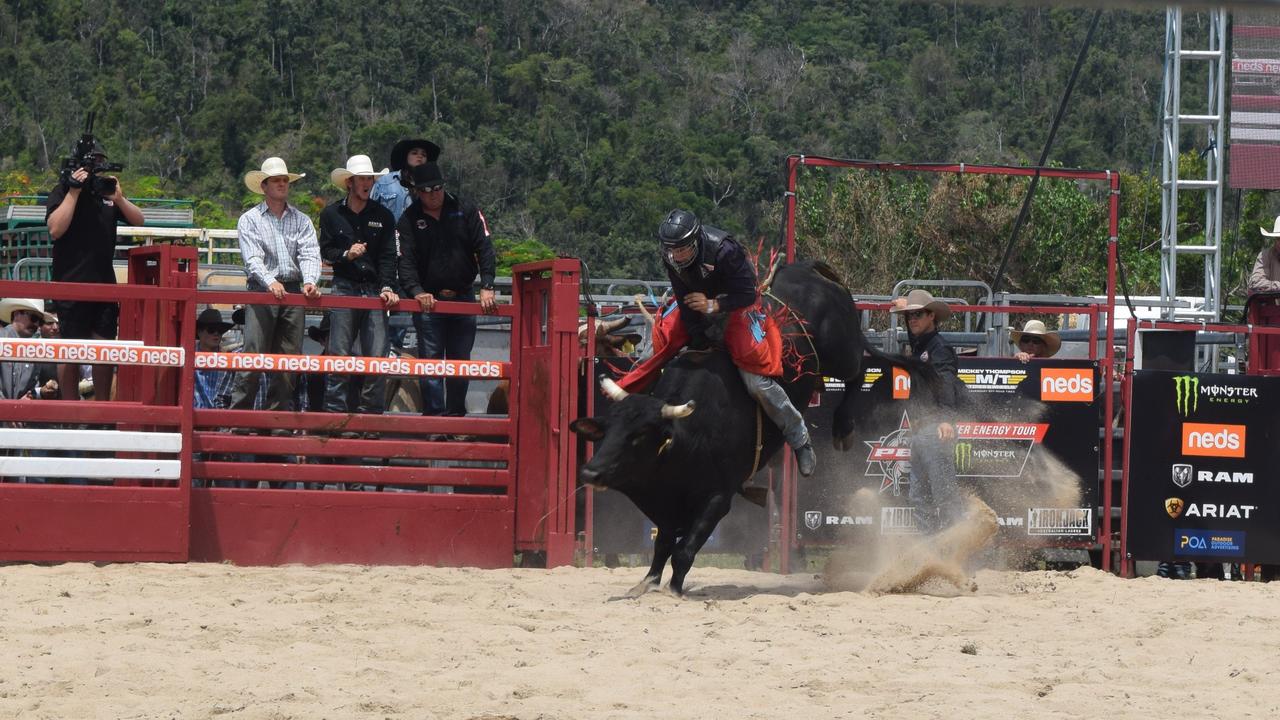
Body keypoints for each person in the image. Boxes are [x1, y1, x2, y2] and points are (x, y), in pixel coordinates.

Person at [614, 209, 817, 476]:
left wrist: (714, 305)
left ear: (696, 241)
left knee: (757, 382)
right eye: (670, 250)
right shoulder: (672, 259)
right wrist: (699, 337)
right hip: (698, 309)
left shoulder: (725, 251)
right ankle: (630, 422)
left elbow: (747, 292)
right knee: (660, 346)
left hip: (737, 307)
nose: (675, 256)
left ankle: (799, 438)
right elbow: (684, 298)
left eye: (682, 250)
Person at [44, 138, 144, 401]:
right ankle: (68, 411)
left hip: (104, 284)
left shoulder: (105, 193)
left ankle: (101, 409)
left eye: (98, 162)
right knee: (70, 348)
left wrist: (119, 199)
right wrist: (74, 192)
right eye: (91, 162)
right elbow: (55, 229)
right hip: (71, 283)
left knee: (104, 348)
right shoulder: (62, 190)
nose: (94, 168)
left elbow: (139, 219)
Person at [397, 162, 497, 417]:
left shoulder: (466, 209)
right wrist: (416, 291)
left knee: (460, 361)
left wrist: (487, 285)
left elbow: (484, 247)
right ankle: (434, 419)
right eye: (428, 189)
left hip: (463, 296)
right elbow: (405, 260)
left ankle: (455, 417)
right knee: (430, 362)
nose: (434, 194)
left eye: (438, 188)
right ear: (418, 191)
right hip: (429, 300)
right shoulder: (409, 219)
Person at [230, 157, 322, 414]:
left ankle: (276, 420)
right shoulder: (250, 220)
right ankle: (239, 419)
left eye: (285, 180)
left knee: (288, 362)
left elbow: (310, 254)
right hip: (262, 289)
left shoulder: (301, 220)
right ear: (264, 186)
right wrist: (270, 281)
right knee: (253, 356)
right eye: (277, 181)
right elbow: (252, 259)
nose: (282, 184)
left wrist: (311, 281)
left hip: (292, 289)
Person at [319, 155, 400, 417]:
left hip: (373, 288)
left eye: (370, 179)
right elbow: (326, 250)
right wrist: (346, 255)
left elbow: (389, 255)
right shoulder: (331, 214)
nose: (367, 183)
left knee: (377, 357)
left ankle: (370, 418)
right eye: (363, 179)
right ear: (349, 183)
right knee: (339, 356)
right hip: (344, 285)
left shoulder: (384, 216)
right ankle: (335, 416)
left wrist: (387, 286)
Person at [890, 289, 964, 534]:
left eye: (918, 314)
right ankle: (929, 554)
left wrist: (945, 420)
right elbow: (915, 339)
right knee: (920, 498)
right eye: (909, 316)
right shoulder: (923, 343)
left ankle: (962, 551)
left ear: (931, 316)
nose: (912, 320)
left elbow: (946, 381)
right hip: (922, 431)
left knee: (944, 496)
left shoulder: (939, 348)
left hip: (934, 429)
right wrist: (905, 308)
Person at [370, 138, 441, 222]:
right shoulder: (385, 182)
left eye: (424, 155)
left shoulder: (432, 187)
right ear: (406, 157)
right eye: (414, 153)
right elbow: (370, 211)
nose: (420, 156)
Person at [0, 298, 52, 400]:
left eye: (40, 321)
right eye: (33, 318)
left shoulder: (35, 348)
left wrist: (38, 393)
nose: (36, 325)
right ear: (16, 314)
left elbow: (30, 390)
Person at [193, 308, 234, 410]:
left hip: (218, 418)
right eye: (211, 329)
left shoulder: (228, 359)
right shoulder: (188, 355)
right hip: (193, 416)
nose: (216, 333)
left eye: (219, 330)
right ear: (199, 332)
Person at [1249, 216, 1280, 295]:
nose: (1278, 243)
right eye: (1277, 238)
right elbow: (1256, 282)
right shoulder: (1265, 256)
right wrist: (1277, 286)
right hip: (1273, 305)